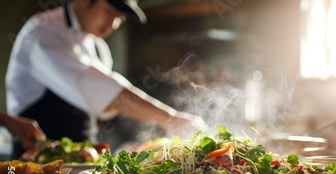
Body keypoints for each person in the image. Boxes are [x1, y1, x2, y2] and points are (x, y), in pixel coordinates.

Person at [5, 0, 208, 158]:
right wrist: (172, 119)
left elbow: (105, 108)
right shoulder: (43, 32)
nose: (114, 24)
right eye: (110, 12)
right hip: (36, 158)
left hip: (83, 157)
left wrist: (133, 145)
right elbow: (109, 95)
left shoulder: (98, 46)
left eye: (120, 18)